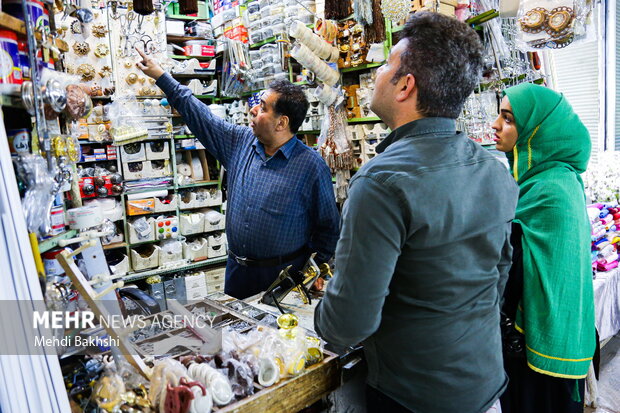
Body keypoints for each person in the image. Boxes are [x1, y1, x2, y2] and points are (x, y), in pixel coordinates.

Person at [314, 12, 519, 413]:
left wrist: (324, 314)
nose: (376, 73)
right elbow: (498, 276)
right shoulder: (494, 168)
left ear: (406, 85)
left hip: (415, 396)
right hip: (485, 384)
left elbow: (349, 322)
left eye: (386, 64)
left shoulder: (381, 181)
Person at [135, 48, 340, 300]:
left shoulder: (310, 166)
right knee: (236, 336)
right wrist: (160, 76)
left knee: (278, 336)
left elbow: (329, 228)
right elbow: (199, 115)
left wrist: (313, 272)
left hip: (283, 277)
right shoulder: (240, 142)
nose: (254, 111)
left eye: (263, 107)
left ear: (281, 123)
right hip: (238, 273)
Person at [492, 83, 596, 412]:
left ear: (537, 131)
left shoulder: (549, 190)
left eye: (508, 119)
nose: (495, 125)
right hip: (545, 335)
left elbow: (517, 267)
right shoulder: (553, 180)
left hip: (537, 343)